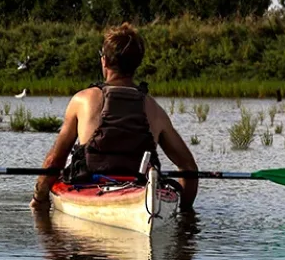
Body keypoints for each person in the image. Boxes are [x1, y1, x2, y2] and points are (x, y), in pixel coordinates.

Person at [31, 22, 198, 210]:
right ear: (137, 64)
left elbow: (55, 160)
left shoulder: (83, 100)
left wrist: (39, 199)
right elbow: (189, 169)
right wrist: (185, 212)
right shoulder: (155, 109)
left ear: (105, 61)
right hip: (140, 189)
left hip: (90, 189)